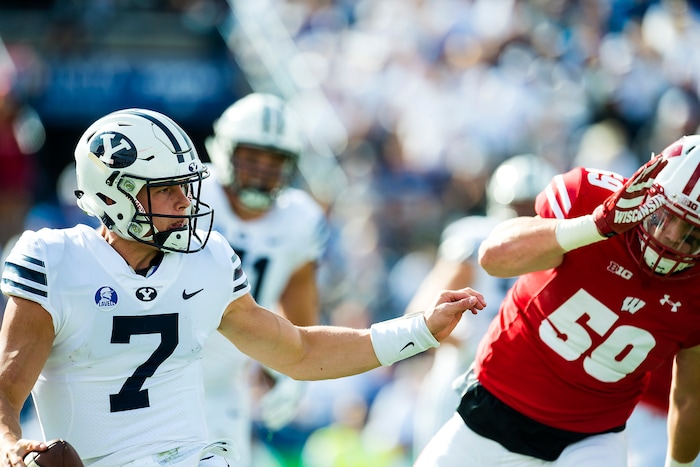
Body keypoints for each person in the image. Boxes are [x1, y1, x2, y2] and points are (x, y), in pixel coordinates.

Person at [0, 108, 485, 467]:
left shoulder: (208, 261)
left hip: (192, 457)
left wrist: (419, 329)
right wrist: (10, 447)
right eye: (166, 188)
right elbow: (7, 389)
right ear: (114, 194)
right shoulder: (56, 260)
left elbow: (299, 350)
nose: (186, 201)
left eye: (187, 185)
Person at [415, 134, 700, 467]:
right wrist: (596, 225)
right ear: (650, 190)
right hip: (493, 406)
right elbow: (493, 258)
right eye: (665, 217)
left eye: (692, 233)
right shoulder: (591, 199)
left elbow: (690, 394)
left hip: (591, 439)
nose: (671, 238)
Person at [200, 93, 328, 466]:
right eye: (251, 157)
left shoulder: (300, 220)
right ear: (224, 150)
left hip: (223, 387)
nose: (261, 170)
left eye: (274, 161)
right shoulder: (189, 194)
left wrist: (292, 371)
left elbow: (298, 303)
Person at [406, 154, 558, 458]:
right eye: (518, 209)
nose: (524, 219)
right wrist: (467, 345)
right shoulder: (476, 238)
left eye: (532, 209)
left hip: (526, 389)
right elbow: (421, 310)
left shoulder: (559, 252)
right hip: (465, 381)